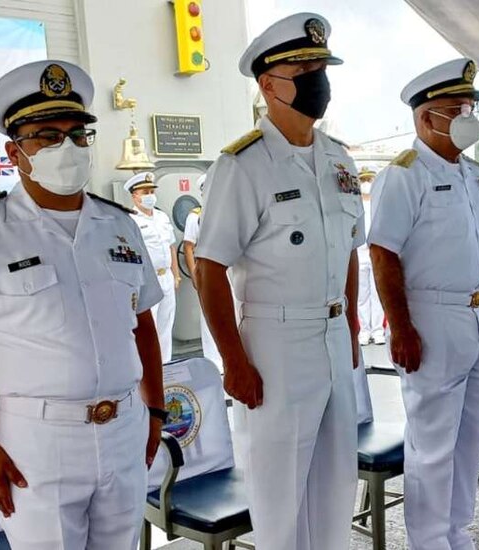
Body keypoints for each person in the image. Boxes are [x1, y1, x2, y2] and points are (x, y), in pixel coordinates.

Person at [0, 60, 167, 549]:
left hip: (125, 429)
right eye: (48, 136)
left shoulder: (119, 225)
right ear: (15, 152)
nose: (67, 147)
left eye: (77, 135)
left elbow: (143, 325)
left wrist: (155, 410)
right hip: (38, 445)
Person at [194, 12, 362, 549]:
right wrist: (234, 361)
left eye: (321, 68)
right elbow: (208, 267)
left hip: (333, 335)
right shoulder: (241, 166)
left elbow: (350, 249)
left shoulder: (338, 159)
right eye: (304, 70)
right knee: (280, 491)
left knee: (336, 482)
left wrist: (352, 327)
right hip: (276, 344)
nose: (319, 80)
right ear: (269, 85)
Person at [369, 58, 479, 550]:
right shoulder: (405, 175)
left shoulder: (474, 175)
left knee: (469, 436)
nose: (468, 117)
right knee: (432, 443)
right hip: (430, 316)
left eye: (470, 108)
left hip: (474, 315)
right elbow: (383, 253)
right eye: (457, 109)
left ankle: (456, 531)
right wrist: (400, 327)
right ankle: (427, 540)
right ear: (427, 118)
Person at [126, 172, 180, 361]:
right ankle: (149, 368)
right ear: (135, 196)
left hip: (166, 277)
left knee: (166, 322)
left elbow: (171, 246)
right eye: (145, 192)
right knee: (149, 326)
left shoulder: (162, 217)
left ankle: (165, 365)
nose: (150, 195)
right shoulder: (130, 220)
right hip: (147, 280)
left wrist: (176, 274)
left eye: (151, 191)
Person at [182, 174, 221, 368]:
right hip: (207, 269)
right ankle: (214, 362)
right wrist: (195, 275)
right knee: (210, 316)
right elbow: (188, 246)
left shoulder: (225, 212)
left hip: (230, 270)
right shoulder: (195, 216)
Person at [356, 168, 385, 345]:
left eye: (369, 180)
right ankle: (365, 331)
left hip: (376, 252)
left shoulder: (379, 203)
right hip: (359, 253)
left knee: (377, 293)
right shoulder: (355, 204)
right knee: (362, 295)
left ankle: (378, 330)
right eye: (363, 180)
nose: (366, 184)